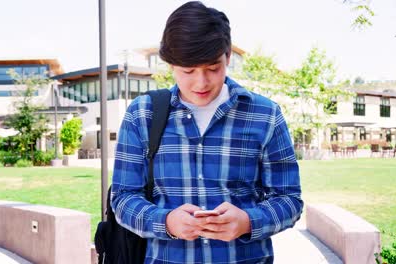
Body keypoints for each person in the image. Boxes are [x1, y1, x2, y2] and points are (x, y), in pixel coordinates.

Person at [111, 1, 303, 263]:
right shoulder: (142, 114)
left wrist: (248, 221)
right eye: (188, 71)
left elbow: (289, 199)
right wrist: (166, 221)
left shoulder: (265, 114)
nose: (201, 82)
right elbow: (123, 198)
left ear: (228, 57)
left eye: (213, 68)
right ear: (171, 66)